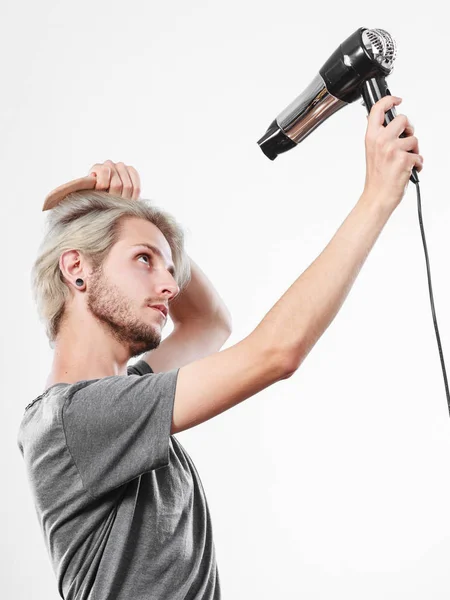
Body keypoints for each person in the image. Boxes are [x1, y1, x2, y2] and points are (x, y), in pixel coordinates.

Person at [17, 94, 423, 600]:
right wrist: (376, 198)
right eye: (144, 261)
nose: (169, 285)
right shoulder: (76, 419)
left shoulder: (124, 398)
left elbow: (210, 322)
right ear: (76, 268)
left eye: (171, 269)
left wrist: (138, 217)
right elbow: (276, 352)